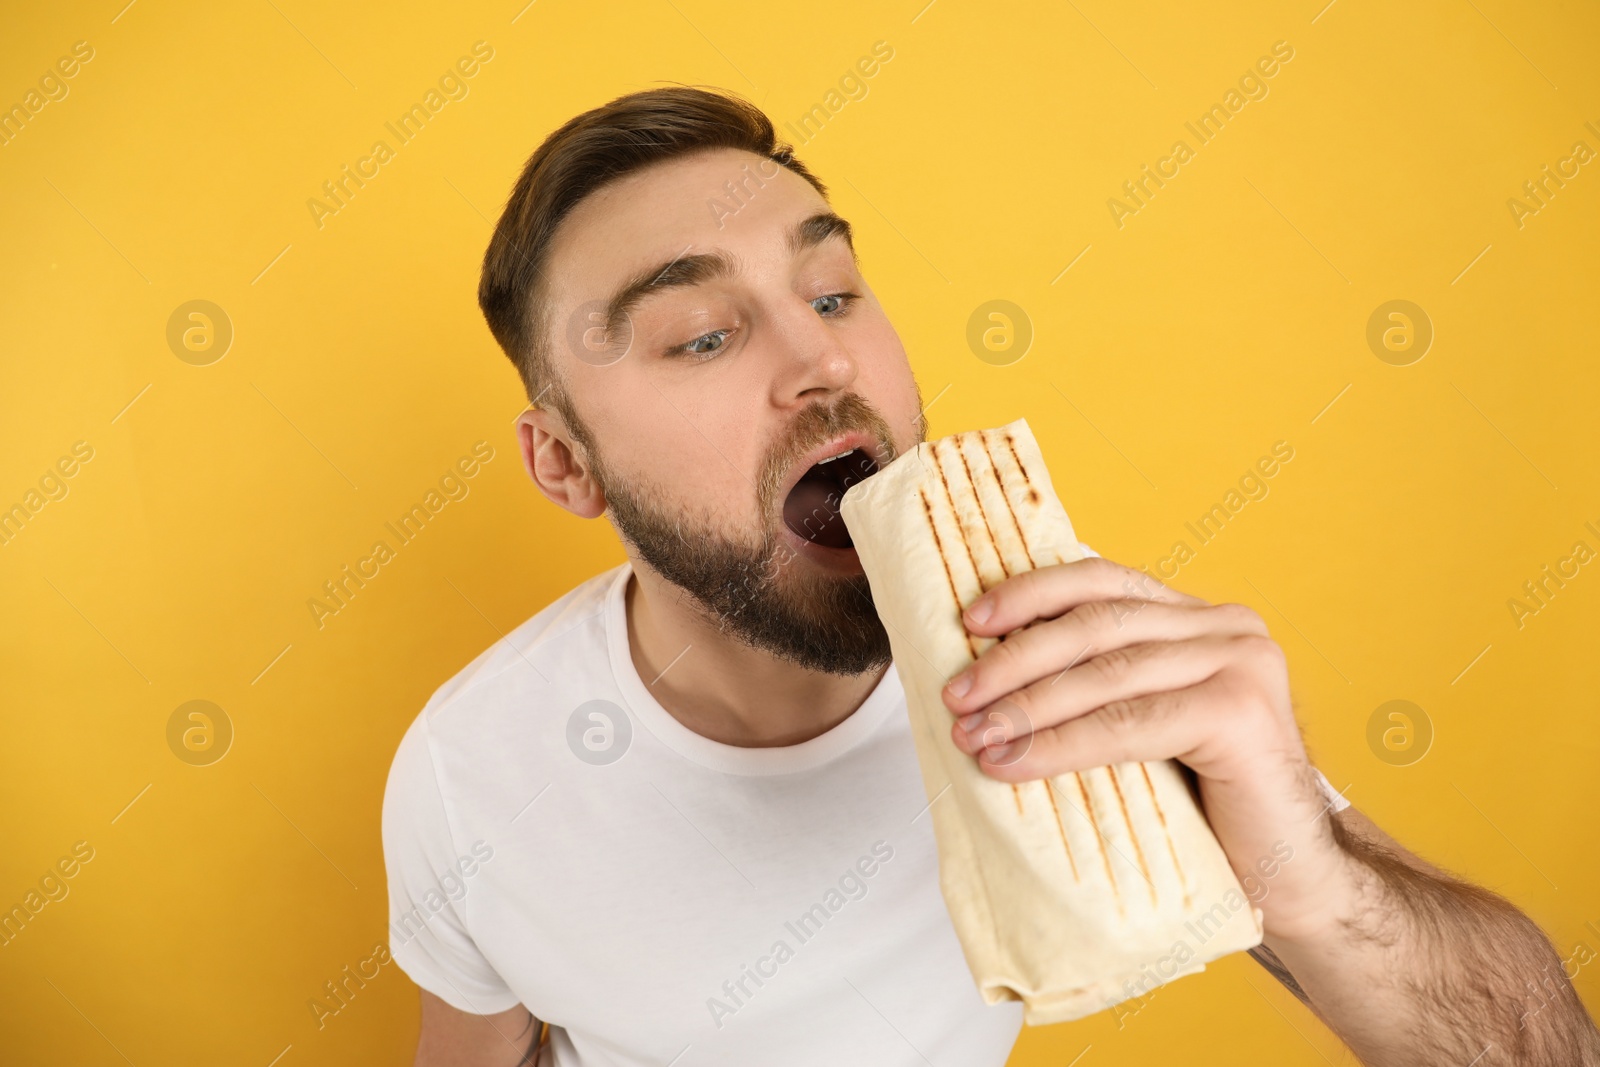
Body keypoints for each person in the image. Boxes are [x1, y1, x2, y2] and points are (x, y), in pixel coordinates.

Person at [381, 86, 1599, 1066]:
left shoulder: (1080, 662)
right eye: (702, 332)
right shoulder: (471, 770)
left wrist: (1319, 888)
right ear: (565, 460)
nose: (820, 359)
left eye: (833, 290)